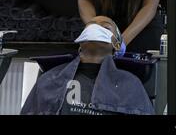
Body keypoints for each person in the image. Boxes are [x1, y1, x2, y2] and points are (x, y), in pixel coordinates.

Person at [21, 16, 154, 115]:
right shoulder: (50, 79)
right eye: (90, 27)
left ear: (117, 45)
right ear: (80, 42)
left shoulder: (131, 85)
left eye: (106, 27)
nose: (96, 29)